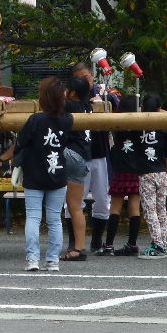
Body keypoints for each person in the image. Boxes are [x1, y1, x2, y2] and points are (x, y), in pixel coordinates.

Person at [13, 77, 70, 271]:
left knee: (33, 217)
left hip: (34, 174)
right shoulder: (67, 119)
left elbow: (21, 143)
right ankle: (53, 260)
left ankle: (32, 259)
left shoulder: (35, 120)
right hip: (58, 174)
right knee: (54, 219)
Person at [72, 62, 113, 253]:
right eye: (80, 78)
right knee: (74, 200)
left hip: (99, 153)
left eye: (87, 77)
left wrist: (102, 100)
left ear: (92, 76)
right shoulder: (70, 97)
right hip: (78, 154)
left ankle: (97, 241)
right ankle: (74, 242)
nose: (85, 81)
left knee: (103, 199)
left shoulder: (104, 92)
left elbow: (117, 100)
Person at [97, 94, 145, 256]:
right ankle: (132, 244)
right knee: (134, 208)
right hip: (136, 168)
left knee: (115, 207)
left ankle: (109, 244)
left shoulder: (116, 123)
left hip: (120, 168)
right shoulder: (141, 124)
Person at [136, 93, 167, 259]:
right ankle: (162, 243)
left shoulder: (138, 125)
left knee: (149, 210)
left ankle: (158, 244)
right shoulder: (164, 129)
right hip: (161, 172)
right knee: (161, 210)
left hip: (146, 174)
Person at [59, 73, 92, 261]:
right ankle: (79, 247)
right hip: (83, 157)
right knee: (76, 206)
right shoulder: (88, 106)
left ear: (71, 92)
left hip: (70, 154)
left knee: (72, 205)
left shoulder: (69, 105)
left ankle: (77, 248)